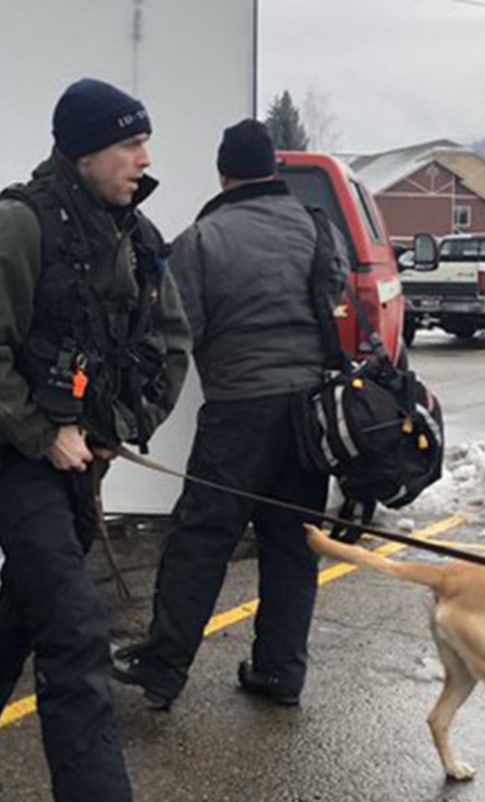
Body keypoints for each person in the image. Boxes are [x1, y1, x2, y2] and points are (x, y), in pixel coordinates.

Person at [0, 78, 192, 802]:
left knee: (35, 601)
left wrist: (115, 423)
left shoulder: (136, 235)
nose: (145, 161)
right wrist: (43, 434)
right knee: (75, 626)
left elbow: (168, 342)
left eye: (145, 145)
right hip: (16, 456)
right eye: (128, 147)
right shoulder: (13, 227)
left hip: (82, 455)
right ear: (83, 151)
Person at [112, 119, 346, 711]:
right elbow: (333, 293)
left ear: (224, 173)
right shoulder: (315, 228)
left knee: (201, 539)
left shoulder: (203, 239)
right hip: (308, 417)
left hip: (240, 409)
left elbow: (182, 327)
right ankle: (280, 673)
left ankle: (163, 670)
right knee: (292, 545)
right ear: (274, 169)